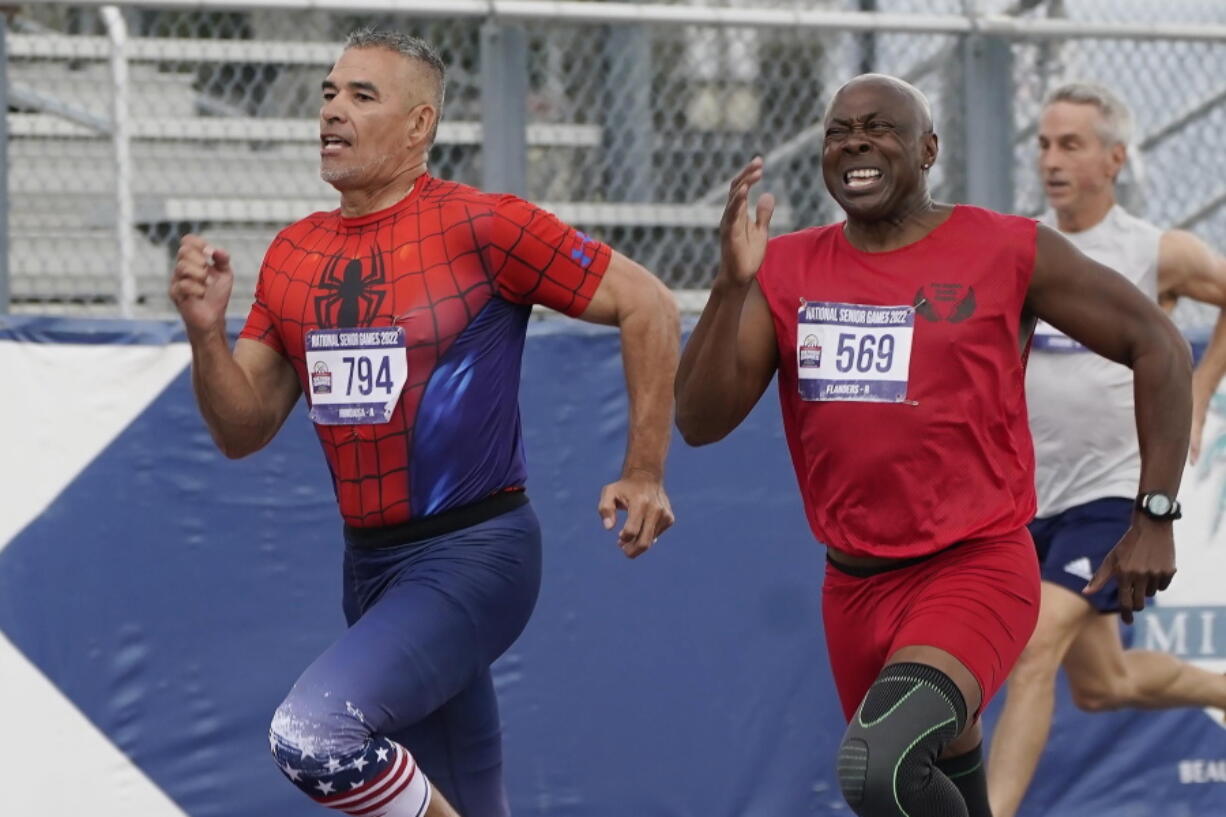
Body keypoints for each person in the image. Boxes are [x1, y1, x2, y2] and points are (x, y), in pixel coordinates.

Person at [168, 28, 679, 817]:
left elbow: (646, 300)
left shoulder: (485, 225)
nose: (333, 111)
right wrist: (205, 332)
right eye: (329, 93)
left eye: (362, 96)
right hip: (370, 572)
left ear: (420, 126)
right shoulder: (293, 253)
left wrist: (644, 467)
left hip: (477, 555)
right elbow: (243, 428)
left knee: (315, 736)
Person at [675, 73, 1191, 817]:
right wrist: (728, 287)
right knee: (932, 786)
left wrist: (1156, 513)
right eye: (838, 131)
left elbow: (1158, 345)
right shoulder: (785, 268)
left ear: (927, 150)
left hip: (974, 568)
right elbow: (700, 420)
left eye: (879, 128)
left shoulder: (1006, 248)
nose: (855, 141)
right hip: (853, 588)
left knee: (877, 767)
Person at [985, 81, 1226, 817]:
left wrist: (1202, 388)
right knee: (1103, 685)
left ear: (1115, 158)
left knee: (1032, 648)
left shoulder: (1155, 251)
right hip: (1029, 498)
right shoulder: (1021, 247)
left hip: (1115, 496)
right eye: (1044, 144)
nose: (1052, 160)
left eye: (1072, 144)